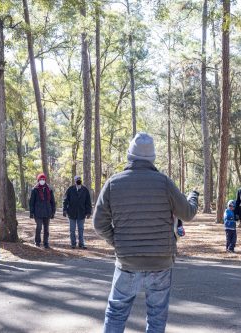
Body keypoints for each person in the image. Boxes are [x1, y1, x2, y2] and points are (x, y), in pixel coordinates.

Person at [93, 132, 199, 333]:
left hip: (127, 262)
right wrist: (193, 198)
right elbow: (187, 213)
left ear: (129, 155)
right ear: (152, 158)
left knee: (116, 312)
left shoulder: (113, 183)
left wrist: (117, 242)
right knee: (157, 316)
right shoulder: (164, 182)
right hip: (160, 261)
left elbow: (99, 223)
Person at [63, 175, 92, 249]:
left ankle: (81, 244)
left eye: (79, 179)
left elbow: (88, 202)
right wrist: (64, 210)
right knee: (72, 230)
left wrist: (89, 212)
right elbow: (65, 200)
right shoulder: (70, 189)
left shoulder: (85, 190)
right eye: (76, 179)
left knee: (81, 229)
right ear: (74, 180)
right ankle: (73, 243)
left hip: (81, 213)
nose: (78, 180)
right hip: (71, 213)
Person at [29, 173, 56, 249]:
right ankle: (37, 242)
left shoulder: (49, 189)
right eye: (41, 179)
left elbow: (52, 202)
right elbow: (31, 202)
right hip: (38, 212)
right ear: (38, 180)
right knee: (39, 227)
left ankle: (46, 243)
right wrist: (31, 212)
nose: (42, 181)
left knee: (46, 229)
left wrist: (53, 212)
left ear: (45, 180)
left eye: (43, 179)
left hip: (47, 212)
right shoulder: (35, 189)